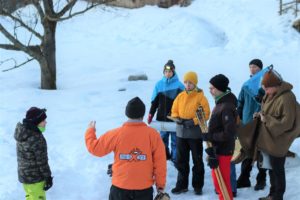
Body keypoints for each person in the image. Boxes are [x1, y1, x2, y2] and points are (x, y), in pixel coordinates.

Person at [85, 97, 167, 200]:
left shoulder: (116, 134)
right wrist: (160, 186)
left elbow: (95, 148)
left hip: (120, 188)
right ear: (142, 115)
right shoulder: (153, 135)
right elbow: (160, 163)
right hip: (144, 190)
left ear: (127, 113)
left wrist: (90, 130)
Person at [255, 69, 299, 200]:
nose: (265, 91)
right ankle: (272, 195)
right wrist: (260, 115)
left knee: (278, 170)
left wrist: (266, 119)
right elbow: (267, 111)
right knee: (271, 168)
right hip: (269, 137)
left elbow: (287, 123)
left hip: (280, 140)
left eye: (267, 88)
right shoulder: (270, 94)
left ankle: (278, 196)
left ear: (275, 86)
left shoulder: (287, 98)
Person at [170, 71, 210, 195]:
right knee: (181, 161)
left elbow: (206, 114)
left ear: (195, 83)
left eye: (190, 82)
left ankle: (198, 186)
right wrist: (177, 118)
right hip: (181, 133)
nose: (188, 85)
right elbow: (174, 110)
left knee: (197, 161)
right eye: (186, 82)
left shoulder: (200, 97)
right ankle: (181, 185)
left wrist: (193, 121)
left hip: (195, 134)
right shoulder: (180, 96)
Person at [202, 74, 237, 200]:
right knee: (218, 182)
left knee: (224, 184)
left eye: (212, 88)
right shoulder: (220, 103)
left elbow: (229, 133)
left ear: (220, 88)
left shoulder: (226, 106)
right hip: (217, 149)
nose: (210, 90)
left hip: (224, 150)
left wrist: (211, 136)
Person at [236, 58, 267, 191]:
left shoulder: (266, 85)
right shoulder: (246, 85)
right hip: (248, 122)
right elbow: (240, 102)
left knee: (261, 152)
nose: (252, 69)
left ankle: (261, 180)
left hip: (262, 123)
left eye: (255, 67)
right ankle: (244, 178)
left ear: (261, 69)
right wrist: (239, 116)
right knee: (247, 150)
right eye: (251, 67)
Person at [148, 60, 185, 164]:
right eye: (166, 71)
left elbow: (184, 103)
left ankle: (175, 158)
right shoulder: (159, 85)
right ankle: (164, 156)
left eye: (170, 71)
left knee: (175, 141)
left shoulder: (179, 85)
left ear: (173, 72)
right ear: (163, 72)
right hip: (162, 119)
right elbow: (154, 102)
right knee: (162, 139)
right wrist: (151, 113)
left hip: (174, 119)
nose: (168, 73)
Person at [15, 107, 53, 200]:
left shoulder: (23, 133)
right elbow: (41, 161)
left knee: (31, 197)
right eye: (43, 120)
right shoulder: (36, 138)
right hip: (36, 178)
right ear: (36, 122)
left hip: (25, 177)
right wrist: (48, 177)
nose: (46, 122)